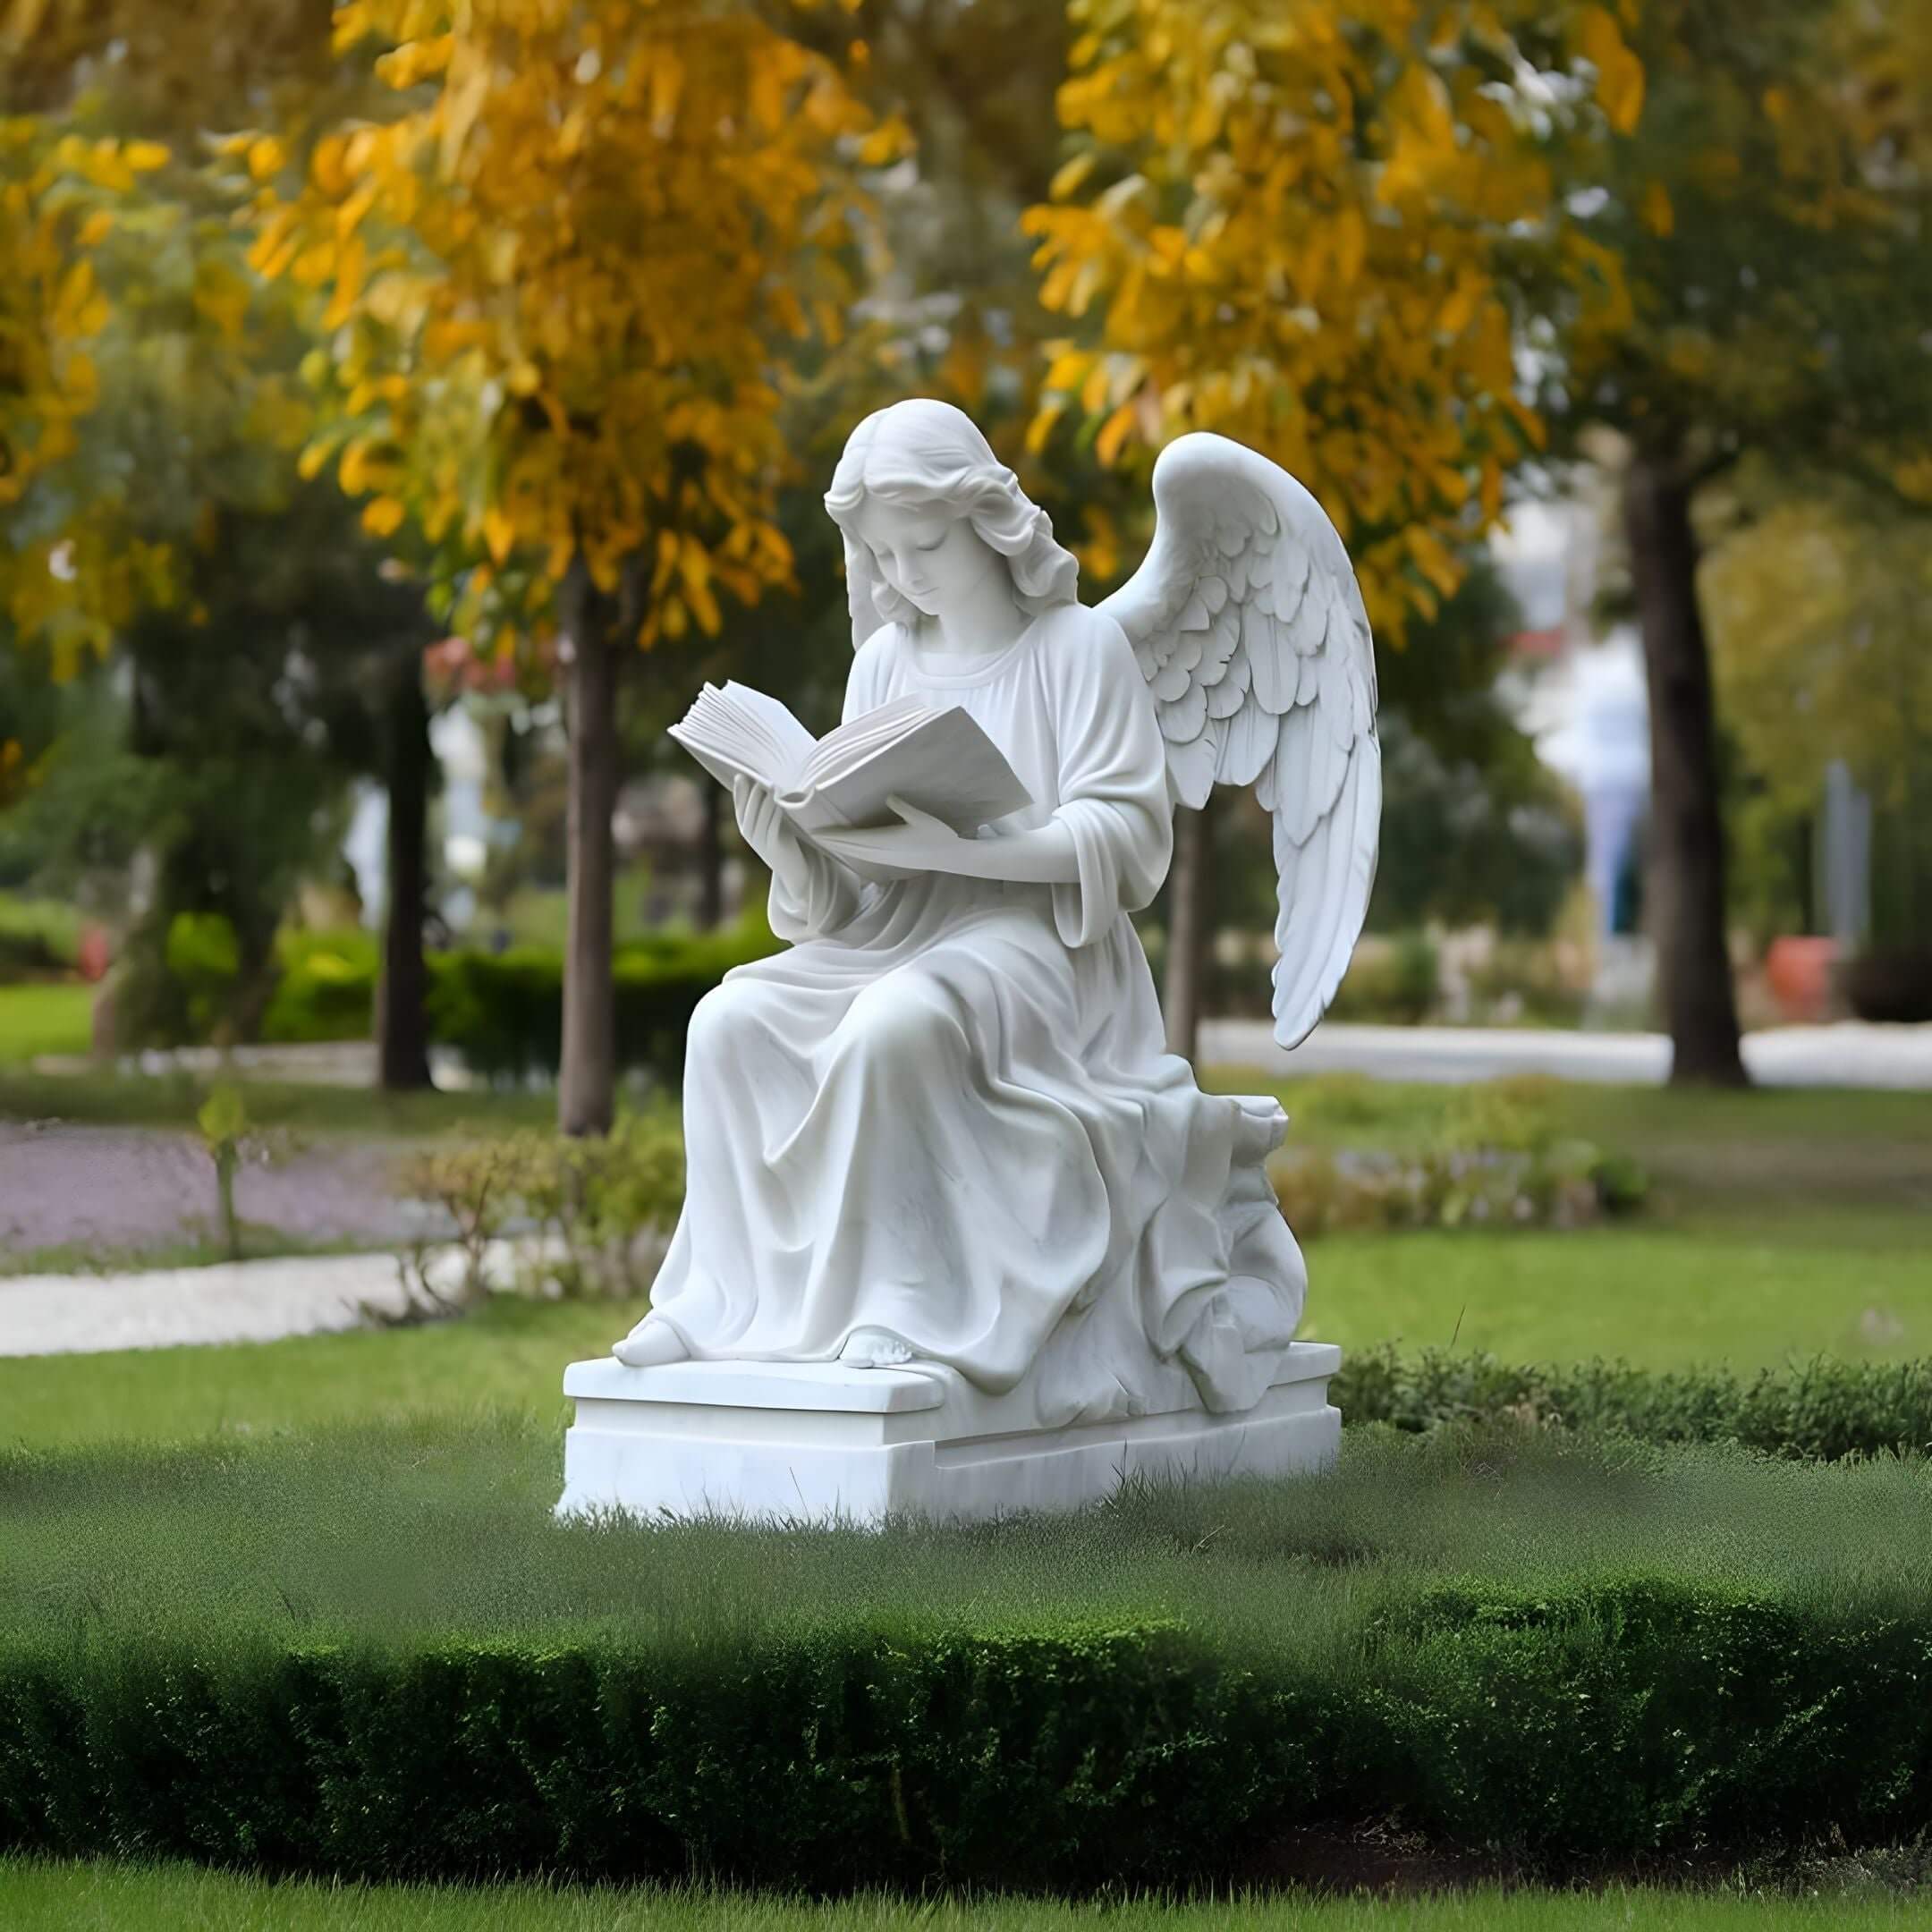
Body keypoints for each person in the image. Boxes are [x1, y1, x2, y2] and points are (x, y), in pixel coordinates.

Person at [613, 400, 1302, 1427]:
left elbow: (1129, 840)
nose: (902, 575)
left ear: (987, 520)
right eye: (882, 553)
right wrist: (791, 837)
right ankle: (724, 1303)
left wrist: (971, 849)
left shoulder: (1078, 650)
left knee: (902, 1024)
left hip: (1044, 953)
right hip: (901, 932)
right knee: (729, 1022)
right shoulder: (885, 659)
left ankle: (912, 1302)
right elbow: (856, 889)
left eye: (923, 544)